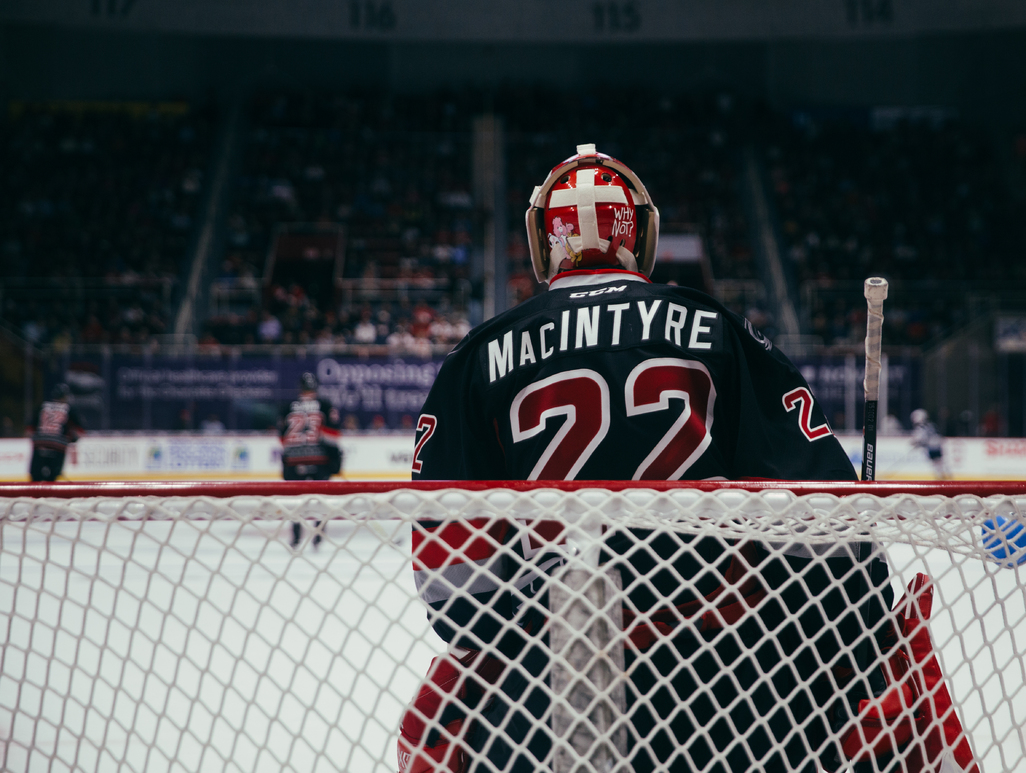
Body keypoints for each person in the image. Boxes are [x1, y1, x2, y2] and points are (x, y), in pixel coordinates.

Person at [401, 145, 972, 773]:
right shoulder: (711, 325)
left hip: (549, 693)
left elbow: (452, 578)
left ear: (545, 241)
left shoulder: (477, 358)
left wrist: (518, 651)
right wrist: (852, 644)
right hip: (725, 687)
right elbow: (822, 513)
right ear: (639, 234)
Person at [279, 372, 342, 547]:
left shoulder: (288, 407)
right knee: (321, 499)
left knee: (296, 501)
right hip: (319, 460)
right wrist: (335, 458)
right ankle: (319, 535)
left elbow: (282, 437)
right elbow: (333, 434)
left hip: (293, 461)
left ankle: (296, 536)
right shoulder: (324, 405)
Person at [28, 383, 84, 482]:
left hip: (39, 442)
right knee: (53, 475)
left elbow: (29, 428)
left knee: (35, 475)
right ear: (65, 396)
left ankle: (36, 492)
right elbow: (80, 430)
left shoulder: (42, 406)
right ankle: (50, 485)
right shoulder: (68, 408)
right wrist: (72, 439)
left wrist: (37, 438)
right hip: (58, 443)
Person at [910, 409, 949, 480]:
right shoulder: (930, 424)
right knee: (939, 463)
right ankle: (943, 477)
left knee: (936, 463)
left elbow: (922, 438)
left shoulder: (921, 427)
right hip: (937, 446)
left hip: (932, 447)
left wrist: (916, 443)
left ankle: (941, 478)